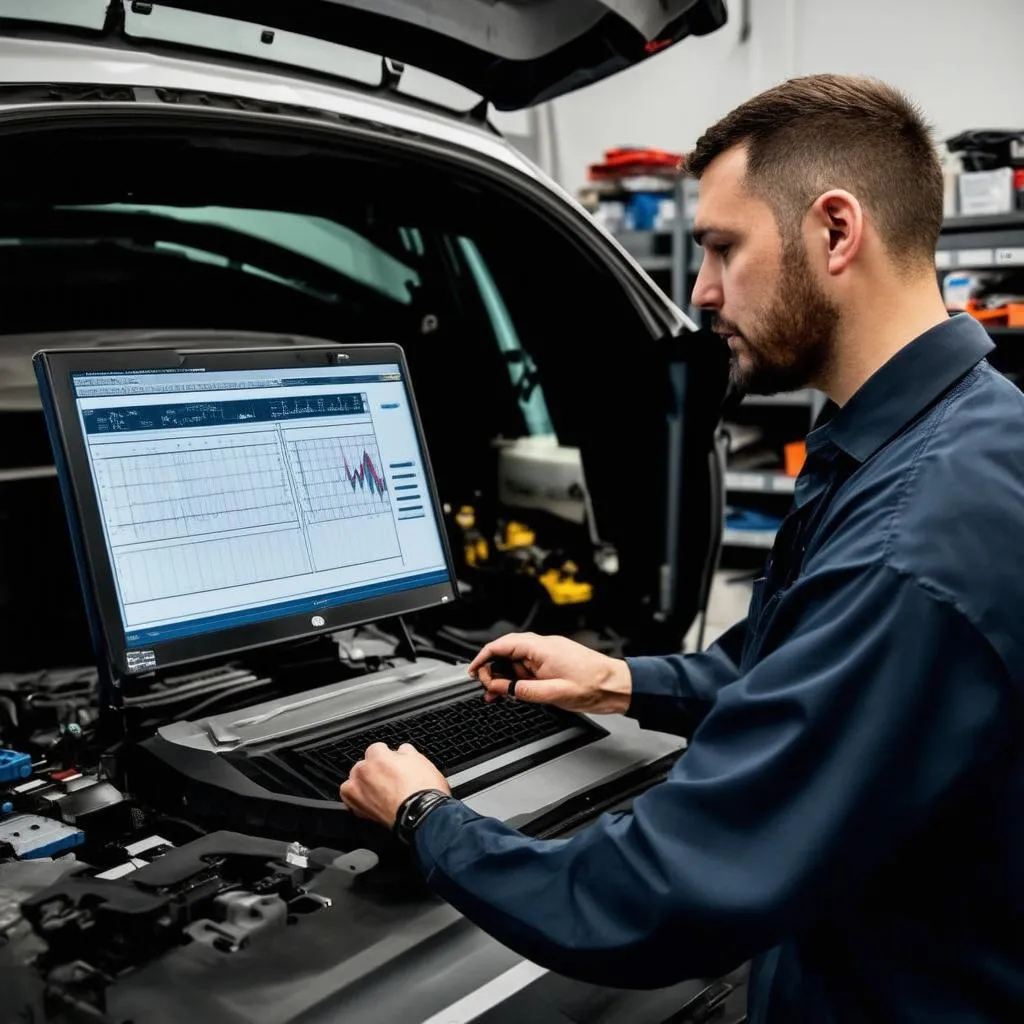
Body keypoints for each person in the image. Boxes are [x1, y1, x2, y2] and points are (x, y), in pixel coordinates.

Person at [340, 74, 1024, 1022]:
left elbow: (656, 899)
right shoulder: (962, 431)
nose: (699, 291)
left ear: (836, 231)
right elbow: (800, 669)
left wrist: (428, 818)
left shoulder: (911, 536)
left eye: (720, 249)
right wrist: (619, 682)